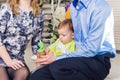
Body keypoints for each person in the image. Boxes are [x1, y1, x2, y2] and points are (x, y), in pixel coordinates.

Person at [30, 0, 116, 80]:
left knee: (58, 67)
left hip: (97, 60)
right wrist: (51, 52)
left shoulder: (100, 7)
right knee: (37, 75)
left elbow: (92, 49)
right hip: (76, 55)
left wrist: (57, 58)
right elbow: (70, 37)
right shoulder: (73, 7)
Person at [0, 0, 44, 80]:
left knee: (23, 73)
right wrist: (9, 61)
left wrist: (41, 65)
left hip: (17, 59)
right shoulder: (7, 8)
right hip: (2, 56)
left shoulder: (39, 13)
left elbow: (37, 43)